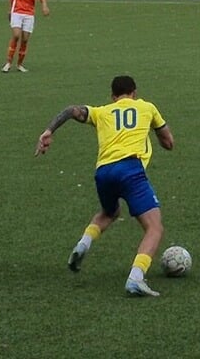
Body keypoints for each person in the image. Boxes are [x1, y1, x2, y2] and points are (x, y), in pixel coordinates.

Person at [35, 74, 177, 297]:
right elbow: (168, 143)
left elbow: (72, 110)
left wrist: (49, 131)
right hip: (130, 169)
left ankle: (84, 243)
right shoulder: (147, 107)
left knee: (110, 212)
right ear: (134, 93)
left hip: (103, 172)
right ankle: (136, 278)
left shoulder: (102, 112)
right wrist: (156, 134)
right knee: (154, 227)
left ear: (113, 97)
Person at [3, 0, 50, 72]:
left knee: (24, 39)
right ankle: (8, 63)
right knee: (16, 35)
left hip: (29, 13)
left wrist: (44, 6)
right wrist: (10, 9)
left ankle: (19, 64)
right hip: (17, 11)